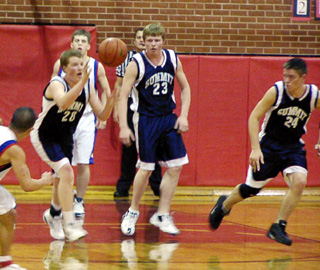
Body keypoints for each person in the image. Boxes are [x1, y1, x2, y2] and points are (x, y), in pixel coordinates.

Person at [209, 58, 320, 246]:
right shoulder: (276, 91)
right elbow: (254, 117)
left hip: (293, 146)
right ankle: (225, 204)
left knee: (300, 181)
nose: (287, 80)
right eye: (285, 76)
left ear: (303, 78)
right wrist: (255, 148)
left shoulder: (314, 94)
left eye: (291, 77)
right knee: (250, 190)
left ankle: (279, 226)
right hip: (269, 145)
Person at [31, 49, 115, 241]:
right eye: (75, 65)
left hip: (66, 135)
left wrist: (110, 103)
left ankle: (53, 214)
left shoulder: (88, 88)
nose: (79, 68)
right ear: (65, 68)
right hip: (45, 135)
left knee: (62, 178)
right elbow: (62, 103)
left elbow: (102, 115)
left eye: (81, 64)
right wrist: (83, 82)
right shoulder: (56, 84)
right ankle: (69, 225)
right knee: (67, 173)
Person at [118, 23, 191, 236]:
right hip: (146, 120)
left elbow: (185, 87)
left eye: (156, 40)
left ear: (163, 41)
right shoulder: (136, 63)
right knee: (147, 168)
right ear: (144, 42)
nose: (152, 44)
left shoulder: (172, 58)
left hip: (168, 118)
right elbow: (123, 95)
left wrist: (184, 115)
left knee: (176, 166)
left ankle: (162, 214)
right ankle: (132, 211)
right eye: (149, 40)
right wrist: (124, 126)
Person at [52, 29, 111, 218]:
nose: (79, 44)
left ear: (88, 45)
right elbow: (52, 91)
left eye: (83, 41)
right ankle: (60, 202)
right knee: (62, 163)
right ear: (71, 45)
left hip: (85, 119)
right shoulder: (59, 65)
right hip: (64, 119)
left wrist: (102, 116)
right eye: (76, 40)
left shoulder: (97, 66)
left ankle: (79, 200)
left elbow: (106, 92)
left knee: (84, 162)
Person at [0, 107, 53, 270]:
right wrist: (45, 181)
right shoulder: (14, 151)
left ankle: (4, 262)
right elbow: (27, 185)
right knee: (8, 214)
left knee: (8, 213)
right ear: (31, 129)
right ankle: (4, 264)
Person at [113, 27, 162, 198]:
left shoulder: (158, 59)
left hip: (150, 110)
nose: (142, 40)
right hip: (130, 108)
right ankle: (124, 185)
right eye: (139, 38)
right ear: (134, 42)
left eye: (144, 37)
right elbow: (118, 86)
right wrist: (115, 108)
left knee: (154, 149)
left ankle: (157, 186)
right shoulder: (125, 59)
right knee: (129, 149)